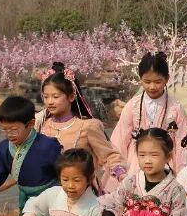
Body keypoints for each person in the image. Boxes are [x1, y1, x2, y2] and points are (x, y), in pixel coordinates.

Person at [36, 62, 125, 191]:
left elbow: (109, 156)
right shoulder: (41, 125)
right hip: (46, 192)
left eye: (55, 96)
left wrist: (121, 174)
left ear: (71, 96)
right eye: (45, 97)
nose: (50, 102)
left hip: (82, 192)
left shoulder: (87, 126)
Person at [111, 51, 187, 175]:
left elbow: (181, 143)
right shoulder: (133, 105)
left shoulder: (176, 108)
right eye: (147, 82)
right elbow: (120, 139)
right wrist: (118, 167)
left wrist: (181, 172)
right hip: (136, 162)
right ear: (140, 79)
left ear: (167, 79)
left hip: (165, 161)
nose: (152, 87)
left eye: (157, 82)